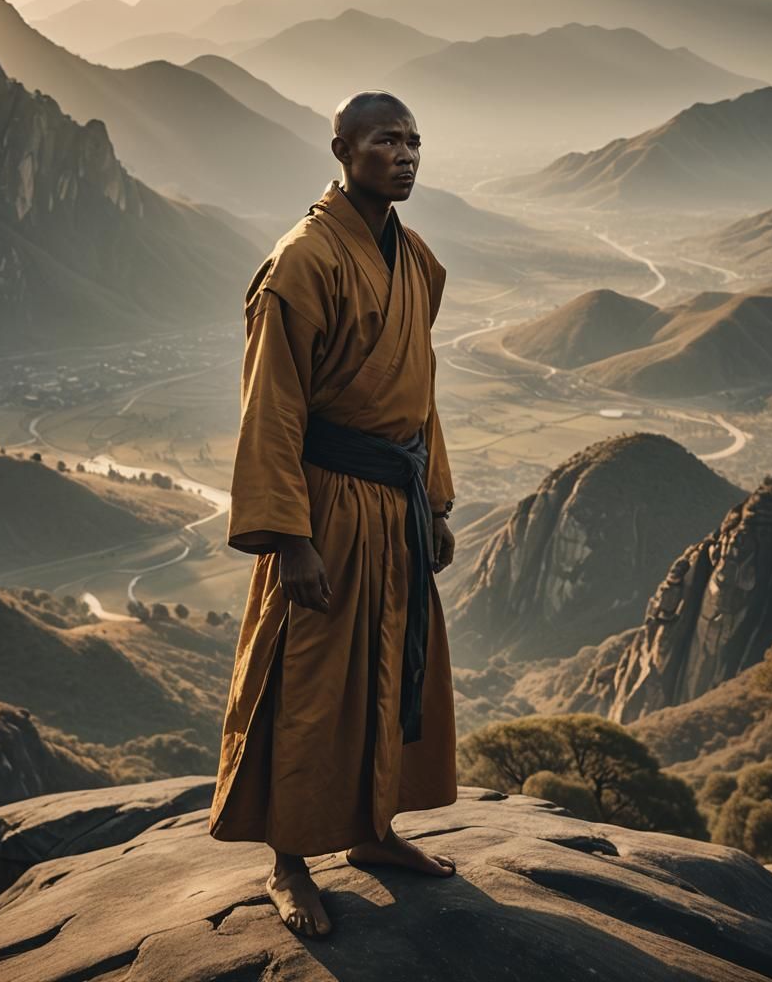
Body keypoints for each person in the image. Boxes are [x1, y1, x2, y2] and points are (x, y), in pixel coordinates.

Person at [207, 89, 458, 939]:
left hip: (396, 503)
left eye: (415, 141)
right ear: (344, 150)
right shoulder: (302, 263)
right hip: (325, 506)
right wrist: (291, 540)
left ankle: (373, 829)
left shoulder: (414, 258)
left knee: (389, 674)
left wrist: (435, 501)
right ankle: (287, 860)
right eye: (388, 140)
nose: (407, 155)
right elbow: (271, 409)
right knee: (307, 681)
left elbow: (419, 391)